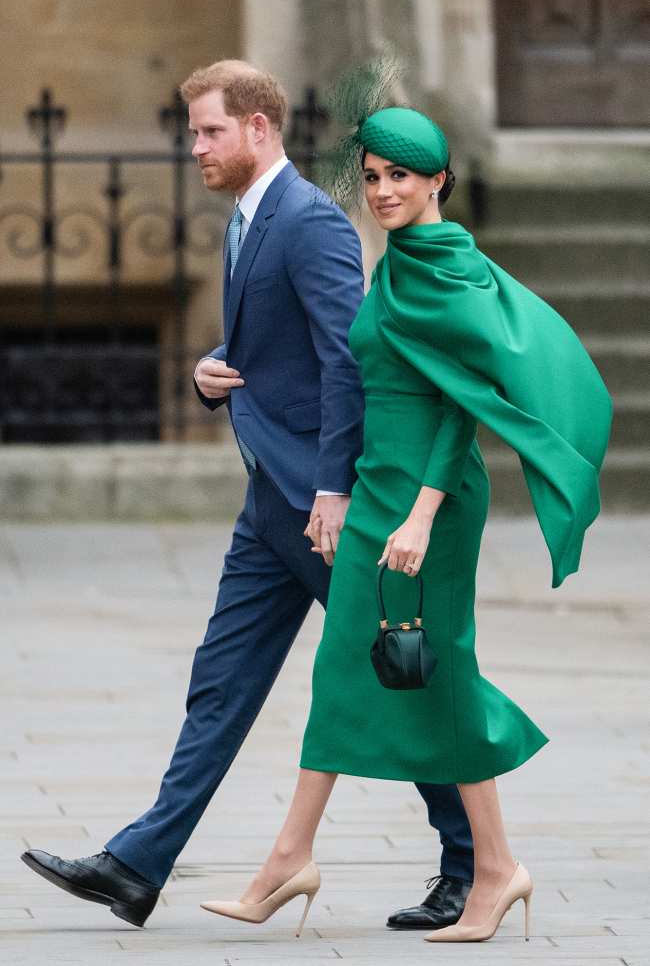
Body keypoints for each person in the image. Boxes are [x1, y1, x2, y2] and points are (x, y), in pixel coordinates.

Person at [20, 63, 477, 932]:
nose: (195, 147)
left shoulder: (308, 223)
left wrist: (335, 489)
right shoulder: (248, 219)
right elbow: (275, 348)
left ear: (259, 129)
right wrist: (209, 372)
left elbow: (347, 363)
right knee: (221, 682)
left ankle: (470, 863)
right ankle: (137, 865)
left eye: (208, 131)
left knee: (397, 677)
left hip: (318, 507)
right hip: (270, 500)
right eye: (194, 132)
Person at [199, 105, 612, 943]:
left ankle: (479, 868)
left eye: (401, 177)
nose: (384, 190)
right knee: (356, 666)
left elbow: (465, 408)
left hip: (431, 498)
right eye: (375, 176)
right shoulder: (396, 263)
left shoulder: (446, 266)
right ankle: (306, 858)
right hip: (379, 486)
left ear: (438, 183)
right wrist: (337, 488)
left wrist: (421, 516)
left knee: (438, 668)